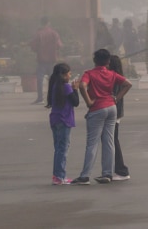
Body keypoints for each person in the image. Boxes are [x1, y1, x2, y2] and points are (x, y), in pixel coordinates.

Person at [74, 48, 131, 185]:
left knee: (92, 143)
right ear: (108, 61)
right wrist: (116, 98)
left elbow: (82, 85)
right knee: (109, 142)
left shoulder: (89, 74)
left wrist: (88, 101)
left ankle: (85, 175)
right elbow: (128, 84)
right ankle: (107, 173)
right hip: (111, 108)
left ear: (95, 61)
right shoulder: (112, 74)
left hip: (97, 108)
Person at [46, 62, 79, 185]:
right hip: (65, 120)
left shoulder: (54, 86)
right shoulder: (66, 87)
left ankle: (57, 176)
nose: (70, 76)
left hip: (55, 119)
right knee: (63, 149)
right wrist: (75, 89)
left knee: (58, 149)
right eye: (69, 73)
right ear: (64, 75)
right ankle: (60, 176)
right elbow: (75, 102)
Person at [107, 55, 131, 181]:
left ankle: (121, 170)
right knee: (113, 140)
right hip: (116, 112)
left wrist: (114, 99)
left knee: (113, 141)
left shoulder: (114, 78)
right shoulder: (118, 77)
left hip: (114, 112)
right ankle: (118, 169)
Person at [29, 17, 63, 105]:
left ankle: (40, 98)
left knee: (39, 79)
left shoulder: (38, 33)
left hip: (41, 60)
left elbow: (33, 46)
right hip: (52, 59)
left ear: (41, 23)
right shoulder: (54, 33)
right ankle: (53, 98)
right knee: (53, 79)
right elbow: (59, 45)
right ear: (49, 23)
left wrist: (39, 50)